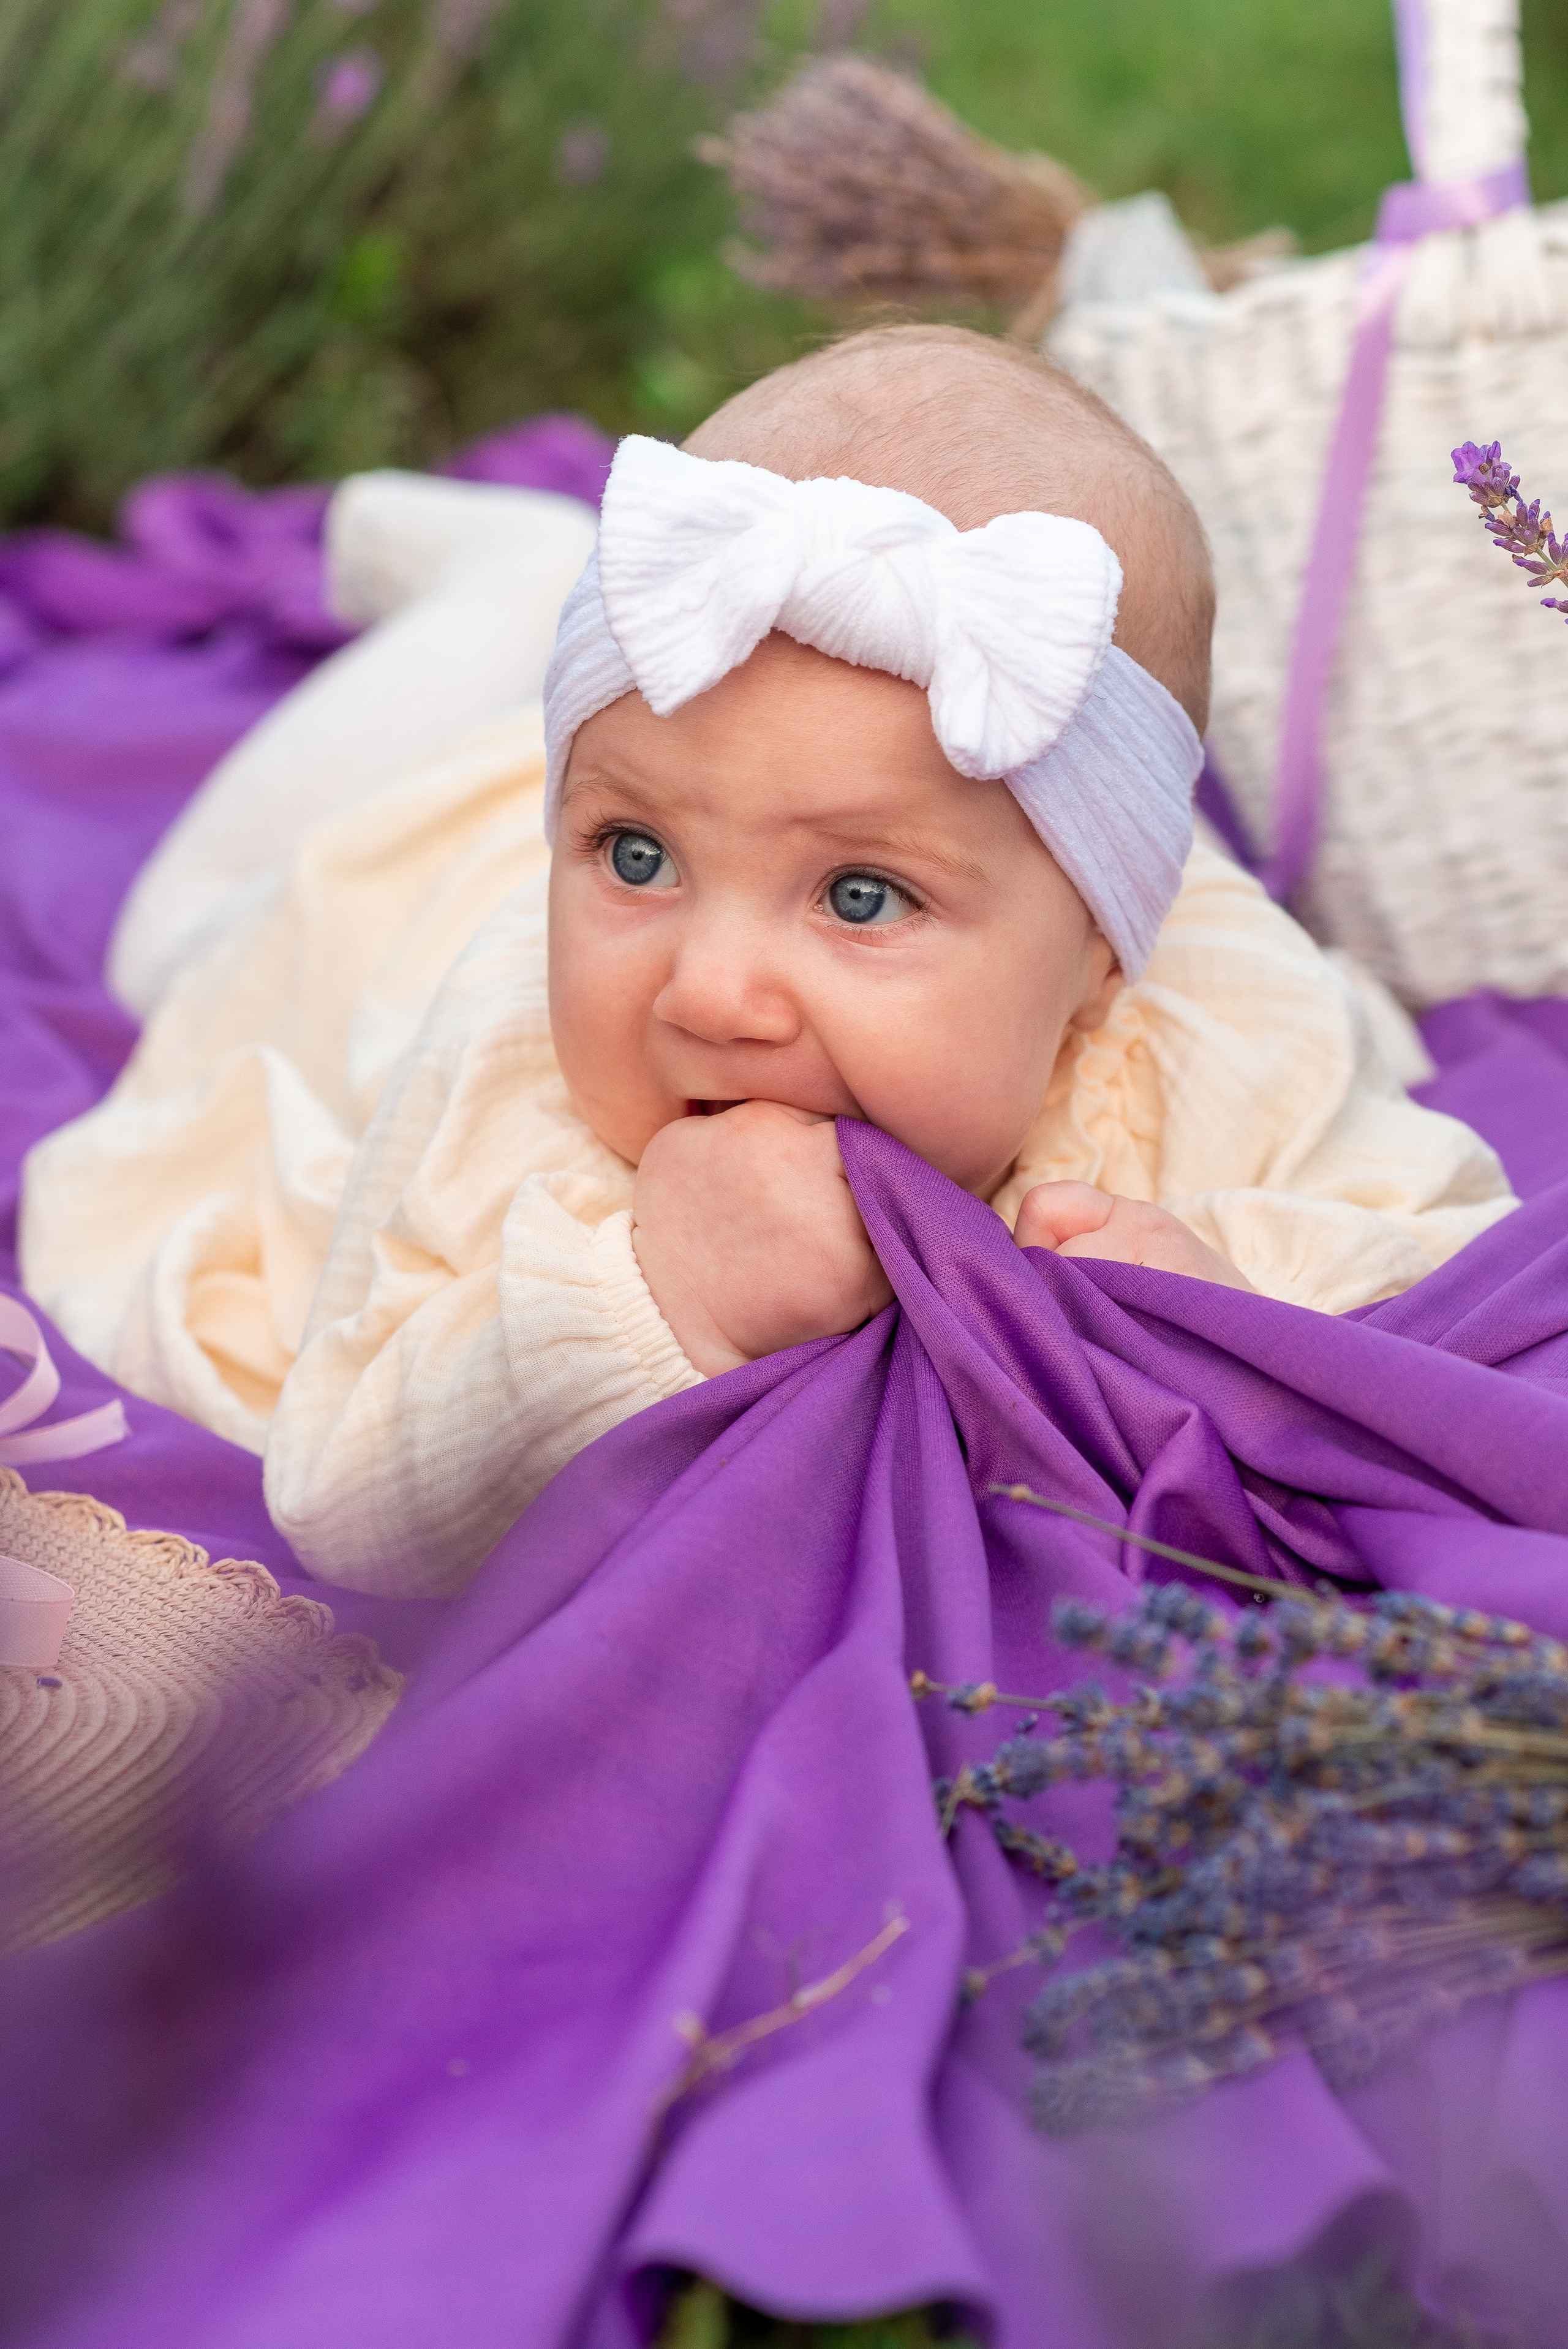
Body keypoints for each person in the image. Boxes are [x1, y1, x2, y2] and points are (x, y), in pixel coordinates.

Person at [21, 326, 1513, 1596]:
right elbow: (350, 1485)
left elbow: (1438, 1251)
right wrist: (640, 1298)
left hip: (696, 764)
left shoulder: (1219, 1002)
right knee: (183, 933)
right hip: (409, 868)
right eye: (632, 859)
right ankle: (491, 578)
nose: (706, 991)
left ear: (1099, 963)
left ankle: (531, 610)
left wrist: (1224, 1307)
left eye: (860, 895)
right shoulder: (518, 1064)